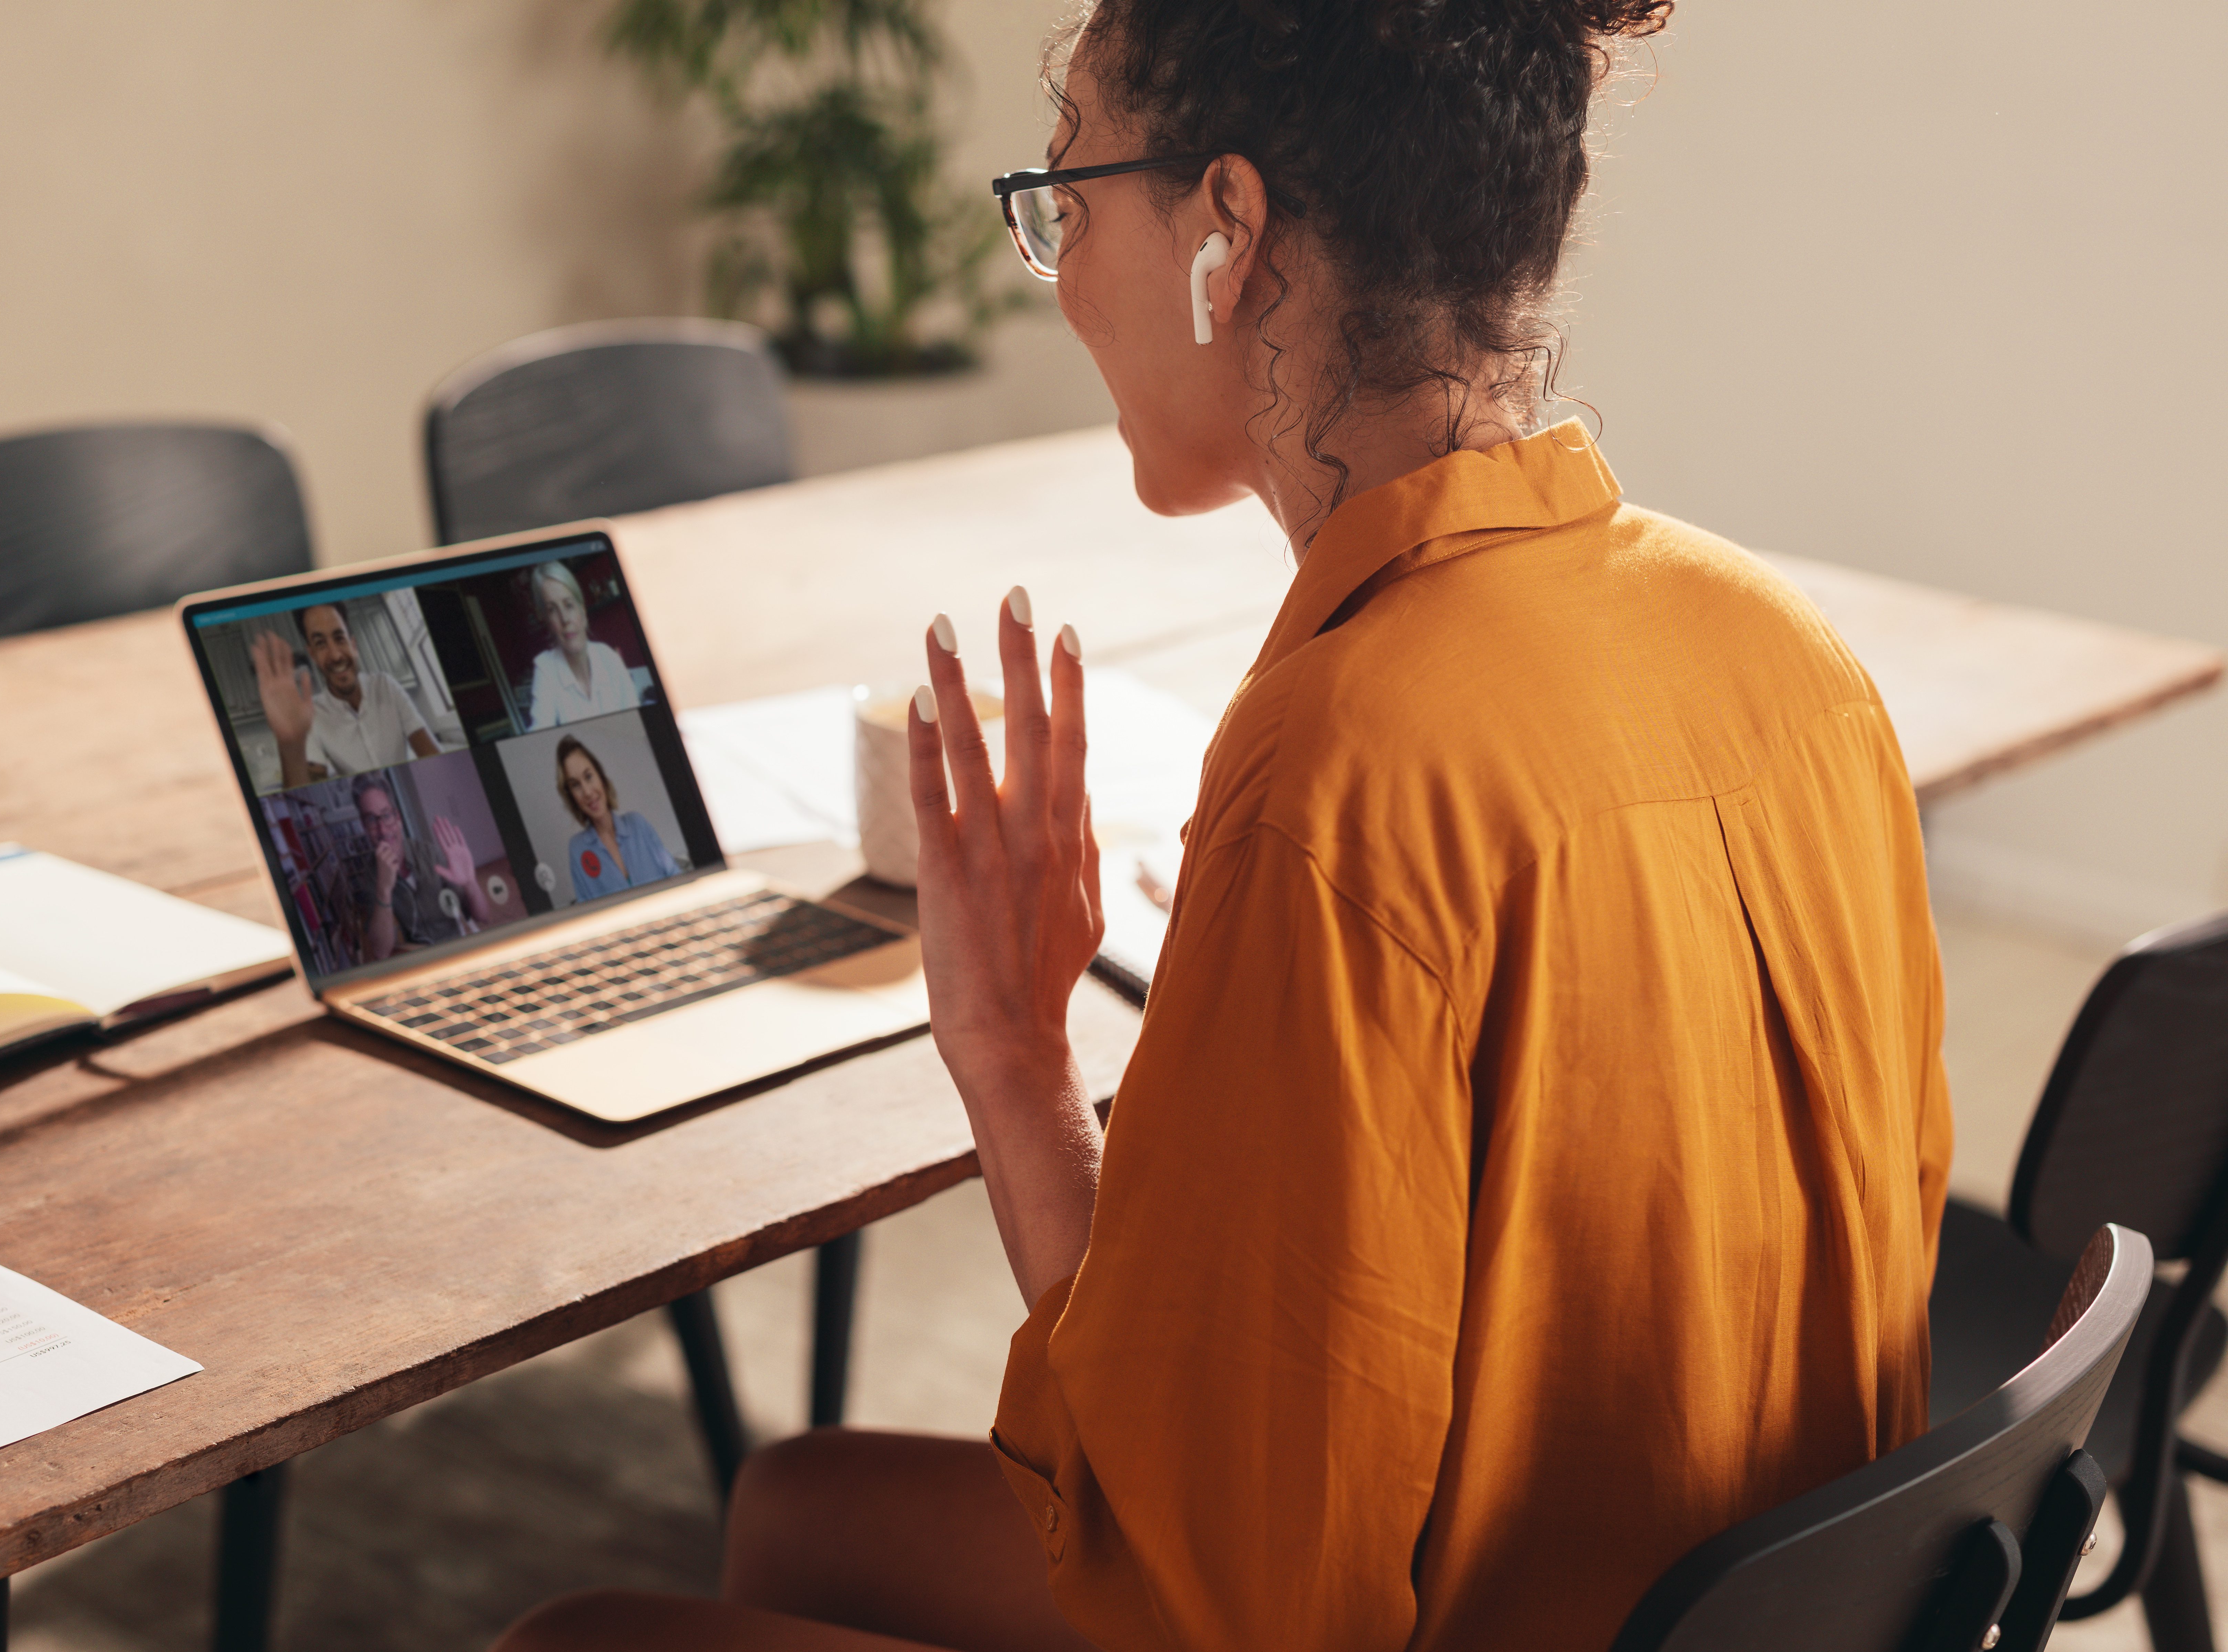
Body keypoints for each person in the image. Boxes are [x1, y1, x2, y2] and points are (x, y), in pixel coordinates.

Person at [496, 1, 1948, 1651]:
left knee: (572, 1637)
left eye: (1069, 201)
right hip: (1718, 1599)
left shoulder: (1344, 763)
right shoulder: (1784, 654)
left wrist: (1010, 1059)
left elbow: (1230, 1594)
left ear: (1225, 232)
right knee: (796, 1506)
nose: (1052, 279)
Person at [251, 600, 440, 789]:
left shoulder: (386, 686)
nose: (335, 656)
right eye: (320, 643)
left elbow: (434, 759)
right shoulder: (311, 716)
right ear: (313, 654)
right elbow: (310, 794)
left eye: (340, 638)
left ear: (354, 645)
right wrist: (290, 743)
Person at [346, 775, 481, 961]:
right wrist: (384, 892)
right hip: (421, 960)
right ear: (364, 826)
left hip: (457, 950)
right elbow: (381, 951)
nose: (383, 830)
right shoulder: (371, 873)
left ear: (398, 817)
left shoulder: (429, 853)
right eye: (371, 820)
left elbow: (482, 916)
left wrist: (471, 883)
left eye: (387, 816)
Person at [556, 736, 677, 901]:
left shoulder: (637, 824)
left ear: (601, 777)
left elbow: (675, 876)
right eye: (576, 785)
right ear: (572, 797)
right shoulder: (578, 849)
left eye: (589, 777)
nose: (588, 792)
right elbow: (588, 914)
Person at [523, 561, 642, 729]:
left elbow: (638, 724)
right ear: (548, 622)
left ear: (583, 610)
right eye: (552, 610)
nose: (565, 619)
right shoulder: (546, 669)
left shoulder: (610, 658)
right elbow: (540, 734)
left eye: (569, 605)